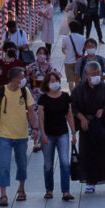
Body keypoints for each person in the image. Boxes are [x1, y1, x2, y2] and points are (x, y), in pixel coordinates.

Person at [0, 65, 39, 207]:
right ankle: (3, 195)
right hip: (5, 135)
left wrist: (34, 128)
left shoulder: (25, 91)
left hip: (21, 135)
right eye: (22, 78)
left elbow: (31, 111)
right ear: (15, 79)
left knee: (22, 165)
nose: (23, 80)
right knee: (4, 165)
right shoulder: (1, 92)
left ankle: (21, 189)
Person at [72, 61, 105, 195]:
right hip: (86, 126)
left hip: (100, 125)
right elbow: (73, 107)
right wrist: (81, 118)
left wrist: (104, 110)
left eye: (97, 73)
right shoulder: (79, 90)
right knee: (87, 154)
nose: (95, 76)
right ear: (86, 75)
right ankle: (90, 182)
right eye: (92, 74)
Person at [36, 72, 75, 202]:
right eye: (51, 81)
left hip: (62, 133)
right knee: (48, 164)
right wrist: (42, 135)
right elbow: (40, 119)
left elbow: (69, 115)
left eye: (55, 80)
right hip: (48, 134)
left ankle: (66, 191)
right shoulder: (43, 99)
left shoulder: (65, 96)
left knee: (64, 162)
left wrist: (74, 132)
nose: (54, 83)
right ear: (47, 84)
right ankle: (49, 189)